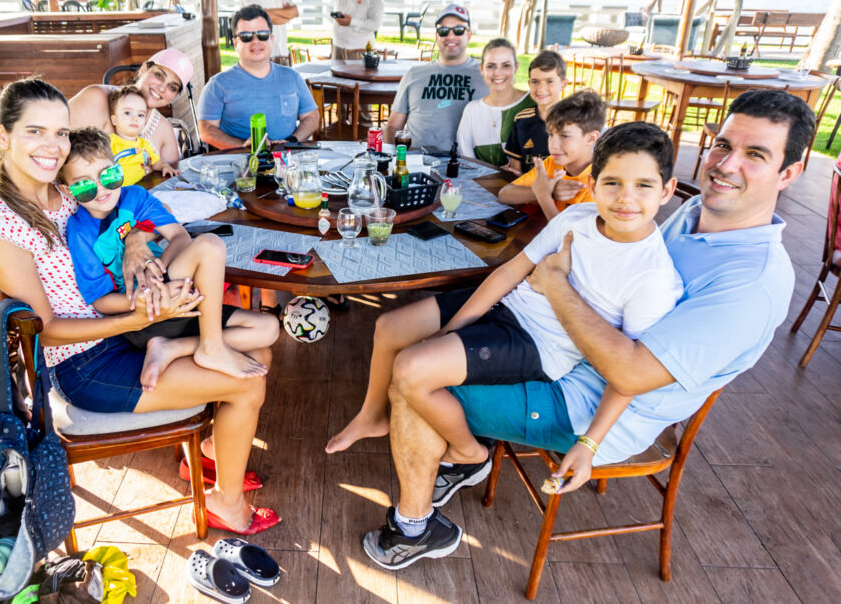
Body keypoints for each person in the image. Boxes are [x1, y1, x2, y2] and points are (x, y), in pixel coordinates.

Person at [360, 88, 813, 570]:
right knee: (418, 344)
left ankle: (418, 524)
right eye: (723, 145)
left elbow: (632, 374)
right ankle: (462, 451)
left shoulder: (752, 283)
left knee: (411, 383)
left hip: (592, 409)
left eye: (756, 155)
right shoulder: (692, 213)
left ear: (790, 173)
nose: (726, 165)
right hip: (568, 353)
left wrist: (554, 285)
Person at [0, 78, 282, 535]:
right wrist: (143, 316)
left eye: (60, 132)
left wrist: (137, 237)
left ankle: (215, 454)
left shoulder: (64, 189)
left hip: (128, 327)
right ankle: (227, 503)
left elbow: (118, 216)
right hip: (86, 362)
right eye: (35, 132)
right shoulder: (1, 224)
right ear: (3, 135)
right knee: (246, 386)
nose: (53, 145)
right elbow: (48, 328)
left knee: (261, 350)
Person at [326, 122, 681, 458]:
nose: (625, 198)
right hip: (509, 305)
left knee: (409, 369)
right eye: (613, 183)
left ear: (667, 190)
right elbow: (512, 271)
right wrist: (456, 326)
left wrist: (590, 444)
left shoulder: (654, 276)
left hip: (539, 345)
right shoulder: (578, 218)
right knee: (388, 327)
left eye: (643, 186)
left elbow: (627, 374)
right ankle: (372, 416)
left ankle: (468, 450)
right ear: (593, 181)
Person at [61, 126, 267, 381]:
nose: (101, 190)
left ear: (119, 167)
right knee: (210, 244)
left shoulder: (135, 196)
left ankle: (174, 347)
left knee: (268, 328)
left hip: (174, 289)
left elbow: (179, 236)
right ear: (67, 190)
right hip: (142, 314)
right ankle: (211, 347)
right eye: (84, 186)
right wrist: (150, 297)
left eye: (108, 175)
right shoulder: (80, 231)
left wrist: (157, 271)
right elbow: (100, 300)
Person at [197, 4, 319, 150]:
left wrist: (292, 141)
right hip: (241, 163)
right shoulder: (217, 85)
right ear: (236, 43)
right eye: (246, 36)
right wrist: (243, 146)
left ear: (271, 39)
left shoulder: (292, 77)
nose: (256, 41)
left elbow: (311, 117)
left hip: (288, 162)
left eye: (262, 35)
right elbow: (206, 129)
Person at [384, 4, 490, 151]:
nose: (450, 36)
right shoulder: (414, 74)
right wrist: (392, 162)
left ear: (469, 35)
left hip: (468, 164)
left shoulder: (487, 75)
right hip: (418, 162)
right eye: (443, 30)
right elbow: (393, 126)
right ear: (436, 36)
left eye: (458, 30)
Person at [68, 48, 194, 168]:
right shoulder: (96, 98)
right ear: (143, 69)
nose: (161, 88)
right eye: (159, 75)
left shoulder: (165, 130)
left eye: (172, 87)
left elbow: (171, 182)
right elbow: (56, 145)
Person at [497, 89, 605, 220]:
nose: (553, 145)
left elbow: (566, 236)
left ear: (591, 138)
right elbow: (504, 195)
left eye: (564, 136)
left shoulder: (600, 181)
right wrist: (548, 191)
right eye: (551, 134)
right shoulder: (551, 163)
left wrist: (544, 195)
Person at [455, 38, 534, 167]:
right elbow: (466, 163)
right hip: (482, 186)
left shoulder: (533, 102)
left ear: (516, 67)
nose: (498, 73)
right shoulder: (472, 110)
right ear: (481, 69)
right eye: (491, 66)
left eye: (506, 65)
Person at [504, 50, 569, 174]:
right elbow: (515, 169)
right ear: (529, 83)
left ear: (563, 84)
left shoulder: (575, 121)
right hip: (526, 189)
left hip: (562, 189)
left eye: (549, 81)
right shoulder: (521, 120)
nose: (541, 88)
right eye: (535, 81)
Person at [106, 86, 179, 185]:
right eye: (127, 113)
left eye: (140, 115)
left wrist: (164, 166)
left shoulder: (144, 145)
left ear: (144, 122)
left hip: (142, 189)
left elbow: (156, 162)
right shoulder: (109, 142)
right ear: (114, 119)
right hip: (119, 192)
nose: (135, 118)